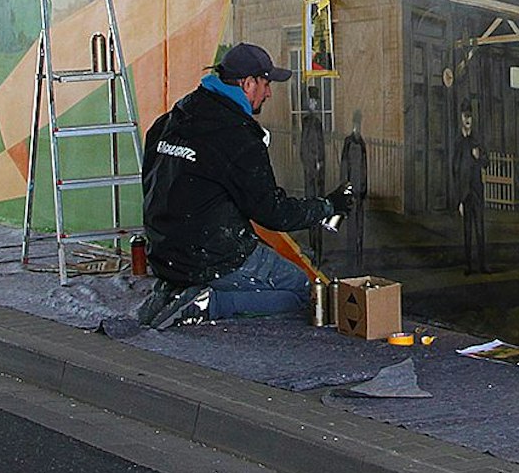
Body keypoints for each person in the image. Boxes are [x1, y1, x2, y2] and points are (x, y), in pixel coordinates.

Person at [135, 42, 355, 329]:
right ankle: (208, 303)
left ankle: (174, 291)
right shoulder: (236, 135)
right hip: (211, 256)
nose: (269, 92)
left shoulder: (172, 119)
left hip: (166, 252)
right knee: (304, 291)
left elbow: (153, 183)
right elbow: (272, 212)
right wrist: (327, 206)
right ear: (247, 83)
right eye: (265, 83)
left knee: (247, 258)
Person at [451, 104, 489, 274]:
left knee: (480, 229)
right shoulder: (457, 141)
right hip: (465, 193)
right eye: (464, 116)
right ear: (460, 118)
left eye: (469, 116)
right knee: (467, 231)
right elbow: (454, 169)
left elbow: (487, 162)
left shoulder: (477, 139)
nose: (467, 119)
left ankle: (482, 265)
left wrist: (479, 156)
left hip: (477, 191)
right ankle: (468, 266)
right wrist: (458, 198)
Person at [338, 110, 369, 274]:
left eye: (359, 123)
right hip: (351, 191)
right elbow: (344, 167)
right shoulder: (348, 142)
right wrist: (346, 188)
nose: (358, 126)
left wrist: (364, 188)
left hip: (360, 191)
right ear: (353, 124)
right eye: (356, 123)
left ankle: (359, 260)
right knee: (351, 228)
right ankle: (351, 261)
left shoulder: (362, 143)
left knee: (359, 228)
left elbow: (364, 168)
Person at [298, 86, 326, 259]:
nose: (313, 104)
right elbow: (304, 148)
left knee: (319, 210)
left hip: (318, 172)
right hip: (309, 172)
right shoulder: (307, 122)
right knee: (311, 210)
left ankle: (318, 249)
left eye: (315, 101)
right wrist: (310, 164)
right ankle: (313, 248)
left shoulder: (317, 123)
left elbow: (321, 148)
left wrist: (320, 164)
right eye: (311, 101)